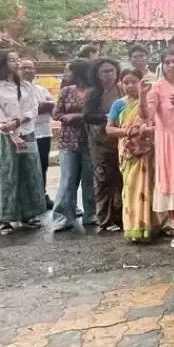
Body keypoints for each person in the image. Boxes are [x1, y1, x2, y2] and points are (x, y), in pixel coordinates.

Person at [0, 51, 46, 235]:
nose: (16, 63)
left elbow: (34, 108)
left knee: (29, 172)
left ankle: (29, 214)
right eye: (11, 60)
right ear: (1, 63)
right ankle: (5, 218)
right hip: (5, 137)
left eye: (17, 59)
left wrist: (19, 122)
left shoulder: (26, 86)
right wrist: (12, 134)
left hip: (27, 132)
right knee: (6, 175)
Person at [107, 69, 157, 242]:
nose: (129, 86)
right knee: (131, 188)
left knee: (150, 186)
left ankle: (153, 226)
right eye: (125, 82)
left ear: (141, 82)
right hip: (128, 151)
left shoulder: (150, 101)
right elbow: (109, 128)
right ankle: (134, 227)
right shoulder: (119, 104)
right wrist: (126, 131)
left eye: (133, 82)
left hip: (149, 150)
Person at [147, 52, 174, 247]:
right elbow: (146, 114)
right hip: (168, 142)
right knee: (173, 182)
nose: (171, 65)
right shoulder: (157, 87)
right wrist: (141, 95)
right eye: (167, 62)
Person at [52, 59, 97, 232]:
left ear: (78, 72)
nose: (65, 74)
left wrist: (77, 117)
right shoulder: (66, 91)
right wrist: (67, 117)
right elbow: (56, 113)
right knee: (68, 178)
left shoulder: (94, 92)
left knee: (89, 180)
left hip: (90, 140)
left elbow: (97, 114)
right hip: (68, 140)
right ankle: (63, 217)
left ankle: (91, 214)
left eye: (67, 70)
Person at [85, 58, 124, 232]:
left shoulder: (121, 89)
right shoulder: (94, 93)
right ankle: (105, 219)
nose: (108, 75)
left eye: (111, 71)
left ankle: (120, 216)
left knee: (120, 178)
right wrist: (108, 116)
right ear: (97, 75)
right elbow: (87, 116)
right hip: (100, 142)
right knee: (103, 180)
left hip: (120, 139)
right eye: (104, 72)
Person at [19, 59, 56, 209]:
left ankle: (42, 194)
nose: (27, 70)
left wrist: (41, 106)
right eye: (23, 68)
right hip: (25, 134)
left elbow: (52, 108)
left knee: (42, 165)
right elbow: (28, 110)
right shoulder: (15, 90)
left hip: (44, 135)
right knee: (26, 165)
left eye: (30, 68)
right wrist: (40, 106)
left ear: (35, 71)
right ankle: (27, 199)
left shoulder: (41, 89)